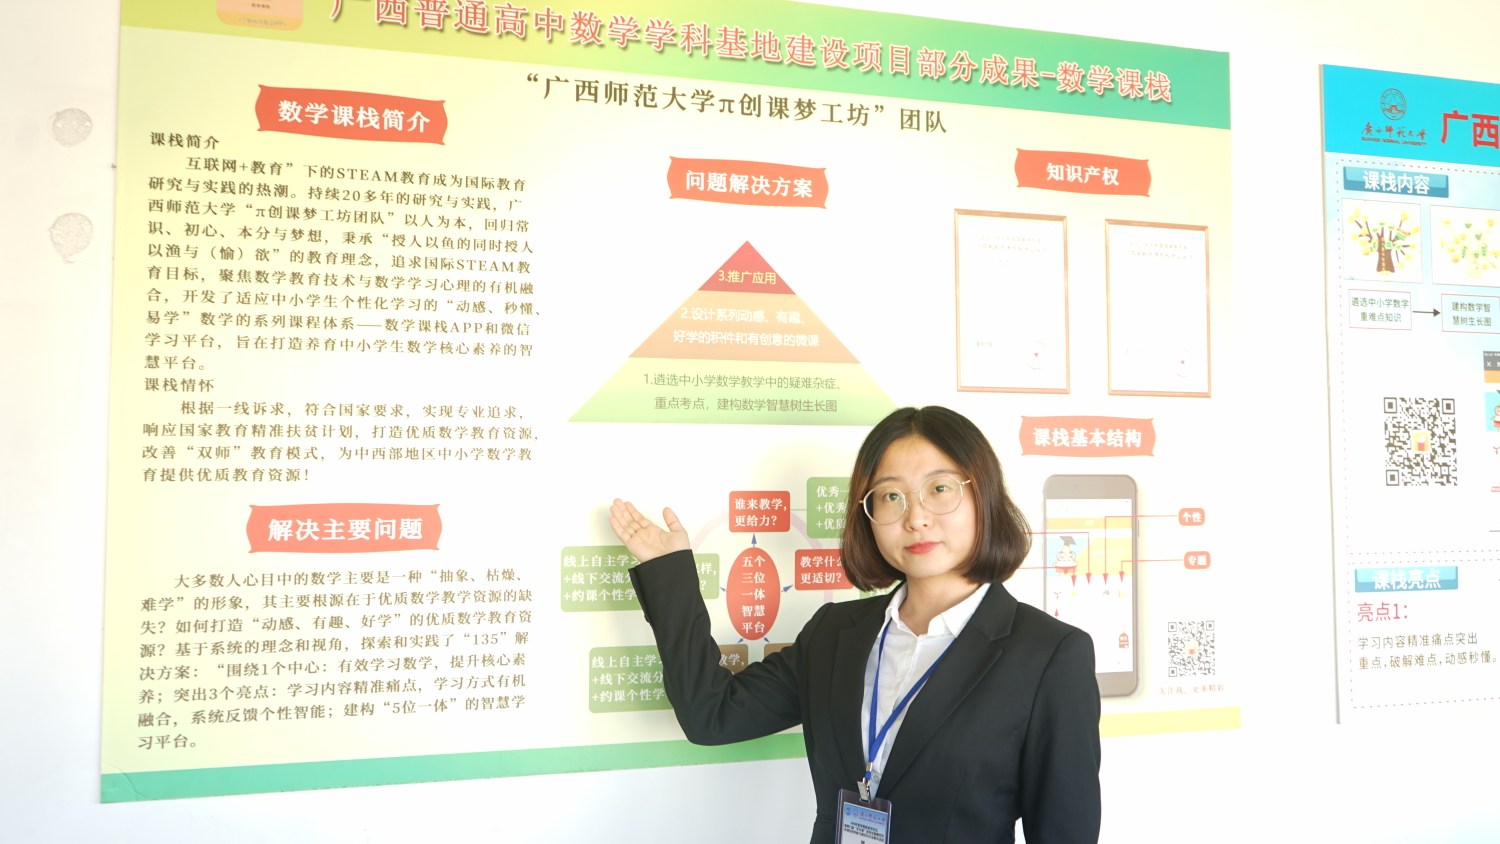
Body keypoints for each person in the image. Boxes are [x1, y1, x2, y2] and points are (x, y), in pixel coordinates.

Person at [610, 406, 1101, 843]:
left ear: (984, 497)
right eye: (890, 496)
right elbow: (711, 714)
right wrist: (668, 571)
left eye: (939, 489)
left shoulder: (1049, 656)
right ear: (868, 515)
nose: (916, 517)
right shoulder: (834, 632)